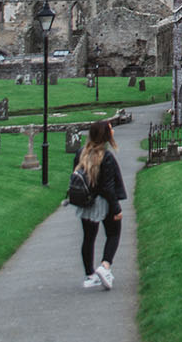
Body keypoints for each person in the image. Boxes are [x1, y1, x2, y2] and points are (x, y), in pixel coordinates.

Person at [71, 119, 127, 290]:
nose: (113, 131)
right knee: (113, 234)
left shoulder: (81, 152)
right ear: (106, 135)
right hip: (104, 203)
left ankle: (90, 275)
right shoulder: (107, 156)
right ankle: (105, 266)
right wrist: (116, 209)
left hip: (86, 202)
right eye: (111, 129)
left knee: (88, 238)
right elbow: (108, 187)